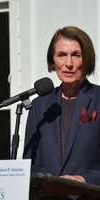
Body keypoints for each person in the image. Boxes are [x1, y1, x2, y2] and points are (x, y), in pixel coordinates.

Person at [23, 26, 100, 199]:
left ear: (87, 60)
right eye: (62, 55)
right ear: (53, 60)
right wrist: (48, 181)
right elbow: (29, 164)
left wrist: (84, 179)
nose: (69, 63)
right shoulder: (39, 105)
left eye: (76, 55)